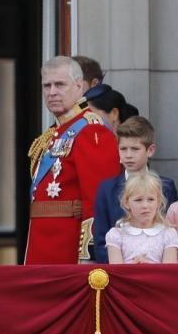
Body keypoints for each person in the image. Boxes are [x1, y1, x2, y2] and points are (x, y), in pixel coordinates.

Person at [25, 56, 120, 264]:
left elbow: (98, 199)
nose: (52, 92)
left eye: (60, 84)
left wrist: (89, 255)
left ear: (79, 86)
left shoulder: (91, 130)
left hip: (67, 251)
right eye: (46, 86)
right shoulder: (55, 132)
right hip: (43, 248)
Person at [94, 116, 177, 263]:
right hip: (119, 273)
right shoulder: (107, 188)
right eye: (123, 149)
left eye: (135, 149)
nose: (128, 155)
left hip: (158, 271)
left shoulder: (166, 186)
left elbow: (172, 233)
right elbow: (100, 242)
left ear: (150, 150)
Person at [105, 172, 178, 264]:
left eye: (151, 199)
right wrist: (135, 267)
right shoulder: (116, 235)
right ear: (126, 203)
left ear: (158, 202)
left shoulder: (168, 234)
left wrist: (147, 268)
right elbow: (117, 273)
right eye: (138, 200)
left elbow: (169, 274)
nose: (145, 206)